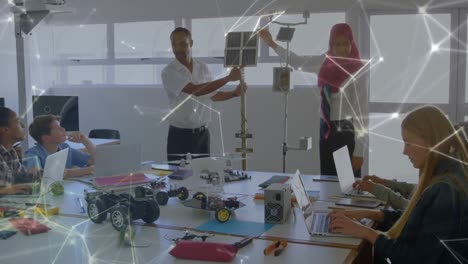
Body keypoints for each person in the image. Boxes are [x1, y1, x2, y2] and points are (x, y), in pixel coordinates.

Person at [329, 105, 468, 263]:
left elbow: (416, 258)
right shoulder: (449, 174)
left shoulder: (445, 190)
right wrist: (370, 214)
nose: (404, 151)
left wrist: (366, 232)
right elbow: (417, 221)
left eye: (408, 144)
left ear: (431, 143)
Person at [259, 23, 368, 177]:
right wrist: (272, 44)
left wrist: (359, 152)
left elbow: (361, 113)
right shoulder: (324, 62)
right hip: (325, 128)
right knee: (327, 178)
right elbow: (297, 61)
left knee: (347, 183)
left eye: (345, 44)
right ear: (331, 44)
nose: (341, 48)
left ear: (351, 43)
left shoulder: (357, 70)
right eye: (337, 44)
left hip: (346, 131)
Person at [162, 27, 247, 162]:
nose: (177, 48)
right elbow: (196, 90)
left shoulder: (203, 68)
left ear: (191, 43)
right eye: (174, 44)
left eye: (183, 43)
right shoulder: (169, 72)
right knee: (178, 178)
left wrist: (234, 94)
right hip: (179, 135)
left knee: (204, 177)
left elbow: (212, 95)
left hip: (202, 134)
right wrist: (227, 78)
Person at [25, 115, 95, 178]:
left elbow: (94, 160)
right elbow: (36, 174)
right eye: (58, 128)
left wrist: (85, 141)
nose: (63, 129)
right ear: (46, 138)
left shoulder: (64, 147)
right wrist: (88, 170)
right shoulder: (32, 154)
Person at [0, 107, 40, 195]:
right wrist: (5, 190)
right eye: (17, 121)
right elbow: (9, 188)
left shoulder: (11, 152)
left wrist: (39, 172)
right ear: (6, 129)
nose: (23, 125)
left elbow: (22, 176)